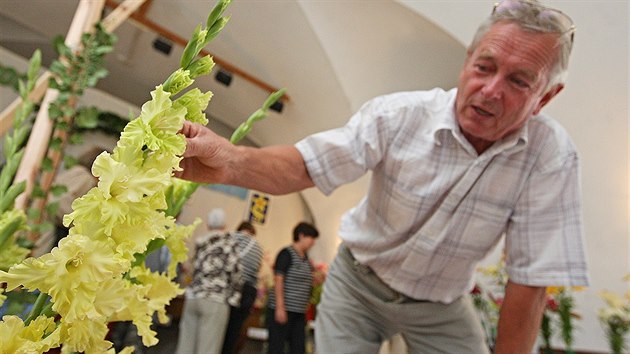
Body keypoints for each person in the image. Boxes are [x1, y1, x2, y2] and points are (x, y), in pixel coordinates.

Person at [176, 1, 589, 352]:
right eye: (484, 67)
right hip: (357, 282)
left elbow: (529, 281)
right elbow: (307, 164)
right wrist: (230, 160)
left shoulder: (549, 156)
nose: (490, 90)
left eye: (519, 81)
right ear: (467, 62)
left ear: (546, 97)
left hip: (441, 304)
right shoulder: (400, 115)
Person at [175, 208, 242, 354]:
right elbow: (236, 272)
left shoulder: (201, 242)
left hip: (193, 296)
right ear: (224, 225)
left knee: (185, 345)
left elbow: (193, 269)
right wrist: (234, 298)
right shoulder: (229, 243)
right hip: (215, 298)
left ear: (208, 225)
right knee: (208, 348)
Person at [266, 222, 319, 354]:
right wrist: (280, 307)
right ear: (301, 236)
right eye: (311, 238)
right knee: (276, 347)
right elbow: (279, 279)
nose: (313, 243)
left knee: (298, 348)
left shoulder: (306, 259)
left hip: (299, 312)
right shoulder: (286, 254)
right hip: (283, 309)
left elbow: (306, 281)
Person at [221, 221, 264, 354]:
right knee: (235, 328)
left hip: (228, 288)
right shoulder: (258, 247)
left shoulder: (229, 237)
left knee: (220, 325)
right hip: (248, 291)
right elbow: (256, 270)